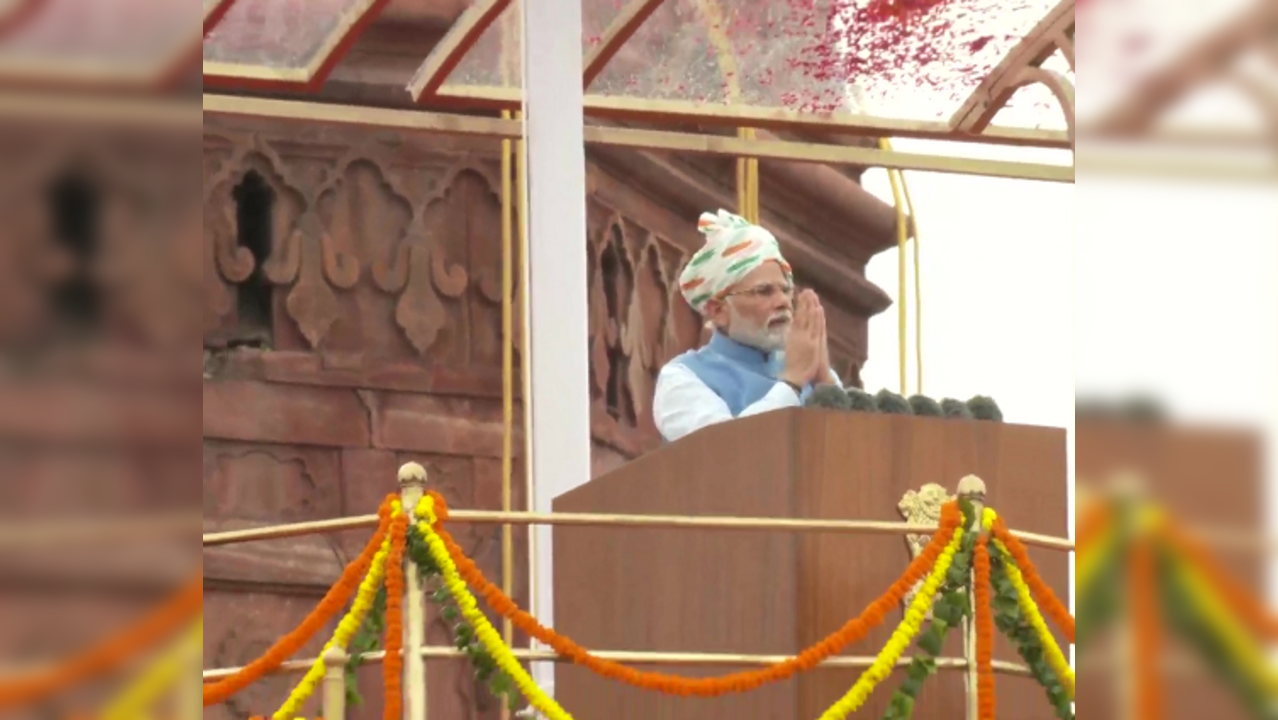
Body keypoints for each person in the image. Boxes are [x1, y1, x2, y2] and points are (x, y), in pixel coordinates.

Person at [653, 209, 840, 443]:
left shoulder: (811, 373)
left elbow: (860, 455)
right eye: (764, 291)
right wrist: (791, 383)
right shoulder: (683, 378)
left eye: (785, 290)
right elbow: (725, 451)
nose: (782, 301)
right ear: (718, 311)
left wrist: (824, 381)